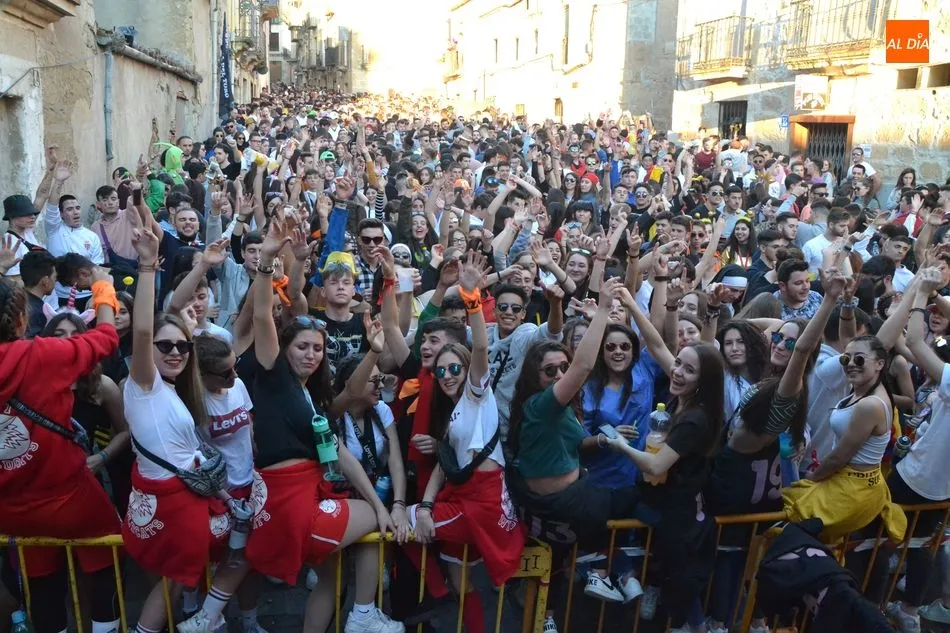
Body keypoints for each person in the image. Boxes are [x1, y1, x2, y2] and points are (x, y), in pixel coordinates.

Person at [242, 218, 403, 633]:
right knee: (369, 516)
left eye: (318, 348)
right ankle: (364, 615)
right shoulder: (273, 375)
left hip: (302, 498)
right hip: (286, 505)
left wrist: (383, 505)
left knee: (332, 576)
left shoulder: (313, 397)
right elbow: (263, 316)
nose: (312, 354)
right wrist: (267, 261)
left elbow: (342, 455)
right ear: (285, 349)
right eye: (302, 347)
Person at [120, 227, 248, 633]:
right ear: (147, 351)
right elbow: (144, 329)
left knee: (176, 580)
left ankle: (200, 618)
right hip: (174, 507)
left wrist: (204, 267)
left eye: (182, 346)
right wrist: (145, 266)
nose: (174, 352)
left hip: (187, 500)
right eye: (164, 346)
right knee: (242, 551)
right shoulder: (143, 386)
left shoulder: (176, 390)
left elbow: (176, 315)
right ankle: (207, 618)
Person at [506, 278, 642, 633]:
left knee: (563, 558)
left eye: (562, 368)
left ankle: (594, 581)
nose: (560, 375)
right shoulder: (542, 404)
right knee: (628, 500)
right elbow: (583, 368)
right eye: (550, 371)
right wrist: (601, 312)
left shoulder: (561, 410)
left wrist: (601, 441)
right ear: (534, 377)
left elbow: (572, 444)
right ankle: (604, 570)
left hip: (565, 501)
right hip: (561, 503)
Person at [404, 252, 525, 632]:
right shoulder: (453, 410)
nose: (448, 375)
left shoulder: (477, 394)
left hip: (481, 500)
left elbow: (482, 351)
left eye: (455, 368)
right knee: (463, 581)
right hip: (464, 496)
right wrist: (426, 504)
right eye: (441, 371)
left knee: (395, 520)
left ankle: (435, 592)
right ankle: (450, 599)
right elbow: (447, 462)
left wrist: (472, 296)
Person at [0, 265, 121, 633]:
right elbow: (105, 338)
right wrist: (102, 286)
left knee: (42, 585)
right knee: (103, 569)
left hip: (11, 511)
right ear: (21, 320)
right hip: (73, 501)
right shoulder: (44, 355)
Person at [610, 285, 724, 633]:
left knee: (680, 591)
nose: (676, 372)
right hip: (669, 505)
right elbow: (659, 346)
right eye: (678, 364)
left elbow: (657, 466)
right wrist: (630, 302)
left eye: (688, 371)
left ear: (702, 381)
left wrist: (619, 444)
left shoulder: (695, 418)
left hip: (680, 515)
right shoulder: (685, 398)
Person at [783, 331, 907, 544]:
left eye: (859, 359)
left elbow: (839, 457)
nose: (850, 364)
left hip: (852, 489)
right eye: (845, 358)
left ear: (879, 364)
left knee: (792, 518)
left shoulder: (871, 404)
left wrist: (811, 480)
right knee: (826, 544)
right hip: (846, 482)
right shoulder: (859, 390)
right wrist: (846, 305)